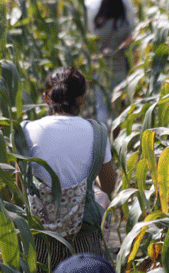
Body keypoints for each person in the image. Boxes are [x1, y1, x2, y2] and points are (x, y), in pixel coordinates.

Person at [21, 66, 117, 271]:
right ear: (82, 99)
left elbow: (18, 188)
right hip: (83, 239)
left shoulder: (26, 131)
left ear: (47, 98)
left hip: (41, 240)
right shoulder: (97, 132)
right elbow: (109, 185)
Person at [84, 0, 136, 126]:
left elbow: (87, 35)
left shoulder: (91, 4)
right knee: (117, 109)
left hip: (101, 68)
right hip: (120, 67)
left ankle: (103, 144)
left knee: (101, 108)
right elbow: (132, 35)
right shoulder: (125, 5)